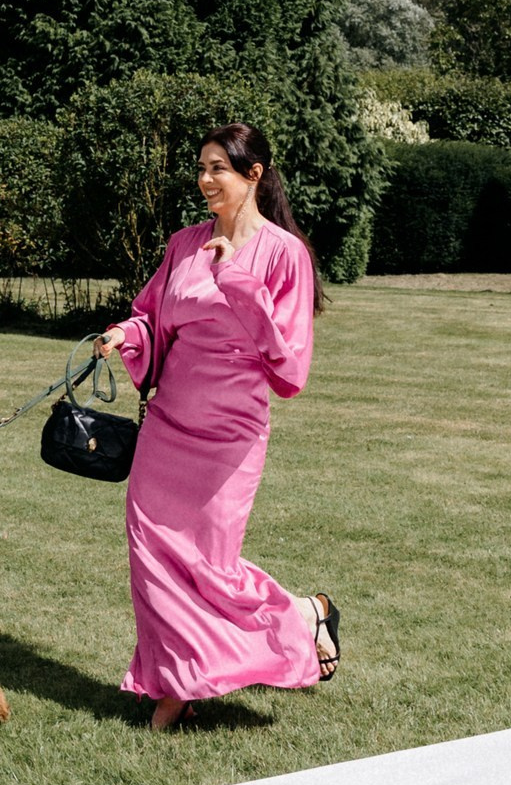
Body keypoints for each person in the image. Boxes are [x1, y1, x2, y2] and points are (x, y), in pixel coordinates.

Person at [95, 122, 339, 732]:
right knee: (153, 558)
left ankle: (302, 615)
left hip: (231, 435)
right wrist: (129, 333)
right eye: (201, 169)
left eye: (217, 169)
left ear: (253, 175)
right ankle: (175, 689)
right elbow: (155, 318)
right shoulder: (183, 243)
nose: (204, 181)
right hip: (168, 426)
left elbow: (289, 368)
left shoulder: (286, 255)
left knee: (212, 567)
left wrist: (237, 280)